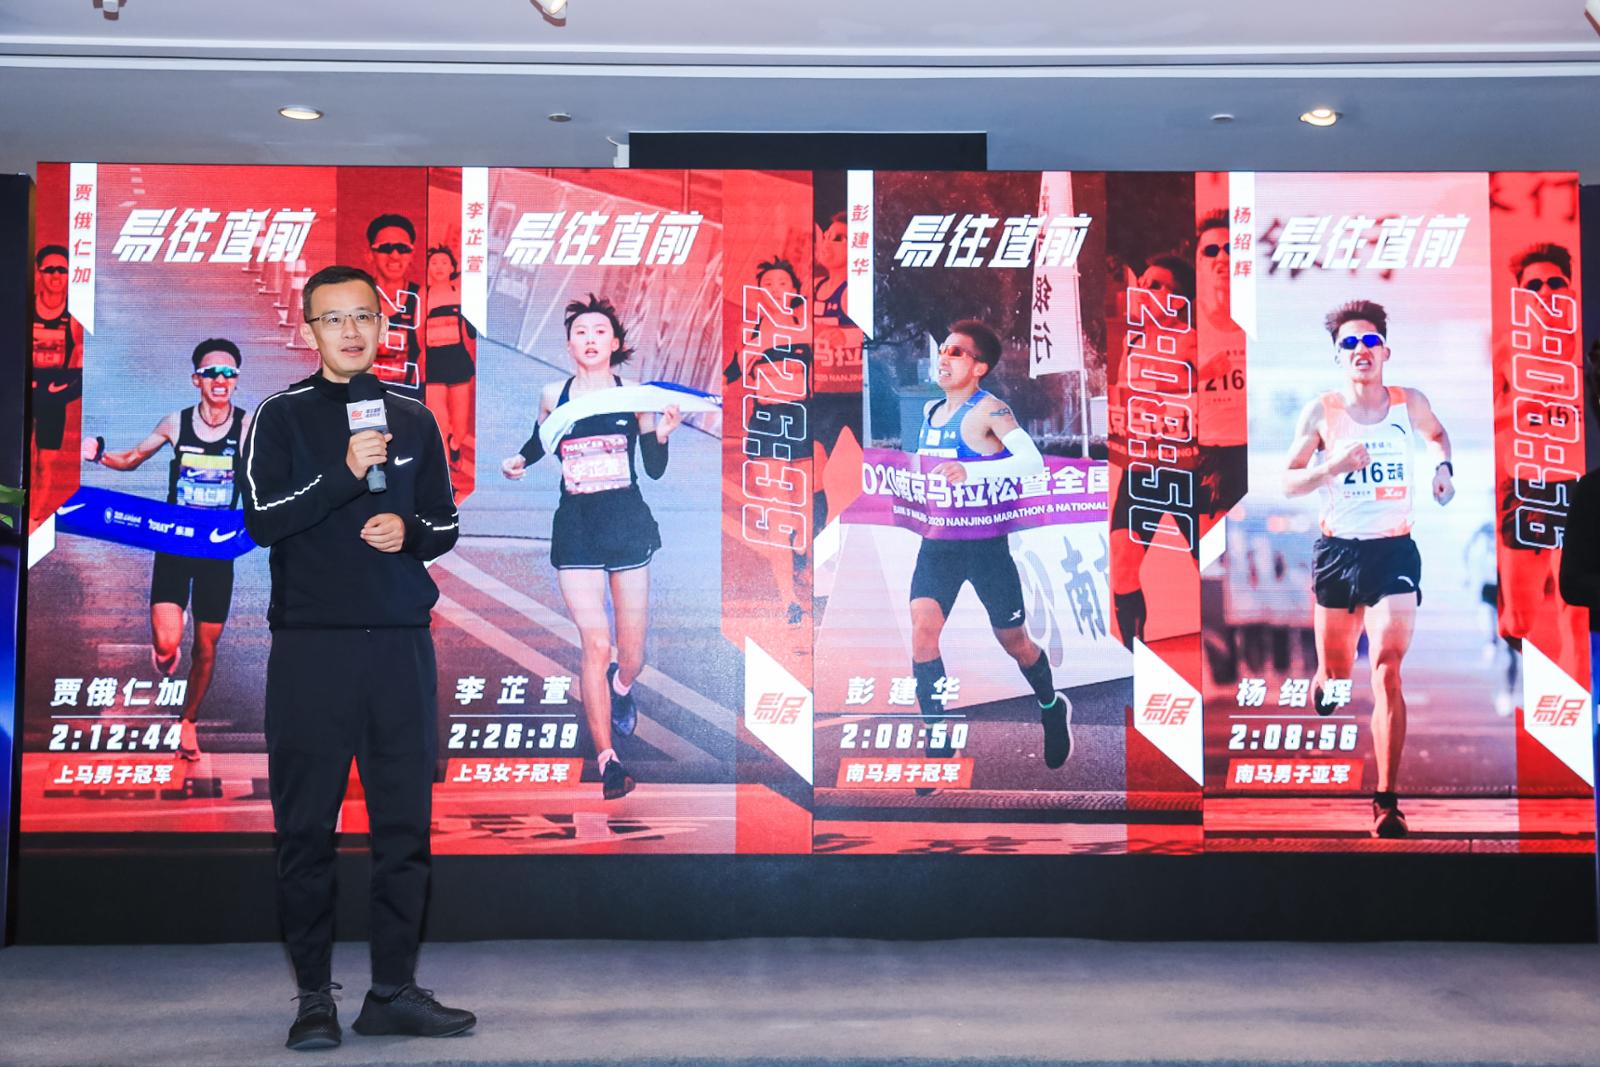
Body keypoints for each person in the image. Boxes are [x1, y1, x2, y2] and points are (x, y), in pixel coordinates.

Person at [241, 264, 472, 1050]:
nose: (350, 331)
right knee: (305, 830)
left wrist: (411, 534)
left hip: (401, 646)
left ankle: (392, 990)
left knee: (404, 829)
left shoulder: (413, 417)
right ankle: (314, 997)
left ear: (383, 325)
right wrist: (341, 476)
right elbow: (263, 519)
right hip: (312, 650)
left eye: (364, 316)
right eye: (333, 318)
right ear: (309, 330)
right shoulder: (280, 415)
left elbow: (443, 523)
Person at [1282, 299, 1455, 839]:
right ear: (1338, 356)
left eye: (1370, 341)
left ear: (1385, 351)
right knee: (1337, 678)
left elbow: (1437, 436)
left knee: (1386, 668)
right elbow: (1288, 480)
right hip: (1339, 554)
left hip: (1393, 553)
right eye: (1349, 344)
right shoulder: (1322, 412)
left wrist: (1443, 470)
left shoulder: (1409, 402)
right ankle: (1325, 679)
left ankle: (1386, 801)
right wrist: (1331, 466)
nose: (1361, 350)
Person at [500, 294, 683, 801]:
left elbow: (654, 470)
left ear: (615, 343)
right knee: (596, 645)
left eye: (600, 331)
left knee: (632, 655)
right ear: (569, 345)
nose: (590, 339)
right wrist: (517, 461)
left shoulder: (635, 396)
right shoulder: (552, 394)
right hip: (576, 528)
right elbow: (541, 441)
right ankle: (608, 761)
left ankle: (621, 688)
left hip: (626, 525)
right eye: (580, 332)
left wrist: (663, 434)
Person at [909, 319, 1072, 771]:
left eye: (956, 352)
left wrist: (973, 471)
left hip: (985, 547)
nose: (943, 358)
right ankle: (937, 738)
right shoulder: (930, 412)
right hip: (939, 543)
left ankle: (1050, 706)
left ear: (979, 367)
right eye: (943, 349)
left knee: (1015, 641)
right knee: (923, 629)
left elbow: (1032, 461)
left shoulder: (990, 410)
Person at [82, 338, 250, 759]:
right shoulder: (176, 423)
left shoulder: (249, 427)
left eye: (228, 373)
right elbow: (132, 459)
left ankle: (187, 722)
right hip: (173, 544)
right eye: (211, 373)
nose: (220, 380)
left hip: (217, 551)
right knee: (167, 644)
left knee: (205, 649)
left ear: (236, 380)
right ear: (196, 380)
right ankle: (165, 648)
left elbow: (276, 470)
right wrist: (100, 456)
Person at [30, 244, 84, 528]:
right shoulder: (24, 308)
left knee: (45, 461)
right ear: (38, 272)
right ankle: (13, 511)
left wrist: (62, 393)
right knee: (18, 456)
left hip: (52, 398)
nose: (55, 276)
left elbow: (85, 365)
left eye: (62, 270)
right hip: (22, 395)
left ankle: (33, 517)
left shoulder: (73, 316)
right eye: (49, 269)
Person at [422, 245, 477, 478]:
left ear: (452, 267)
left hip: (457, 361)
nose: (439, 267)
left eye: (444, 263)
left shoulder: (459, 293)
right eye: (434, 263)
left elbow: (473, 330)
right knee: (440, 423)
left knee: (460, 427)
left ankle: (455, 446)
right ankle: (444, 476)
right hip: (432, 363)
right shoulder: (422, 295)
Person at [365, 214, 424, 401]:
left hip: (408, 402)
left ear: (412, 255)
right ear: (370, 254)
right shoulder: (356, 296)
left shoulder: (423, 298)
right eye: (386, 248)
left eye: (403, 248)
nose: (395, 255)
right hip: (365, 403)